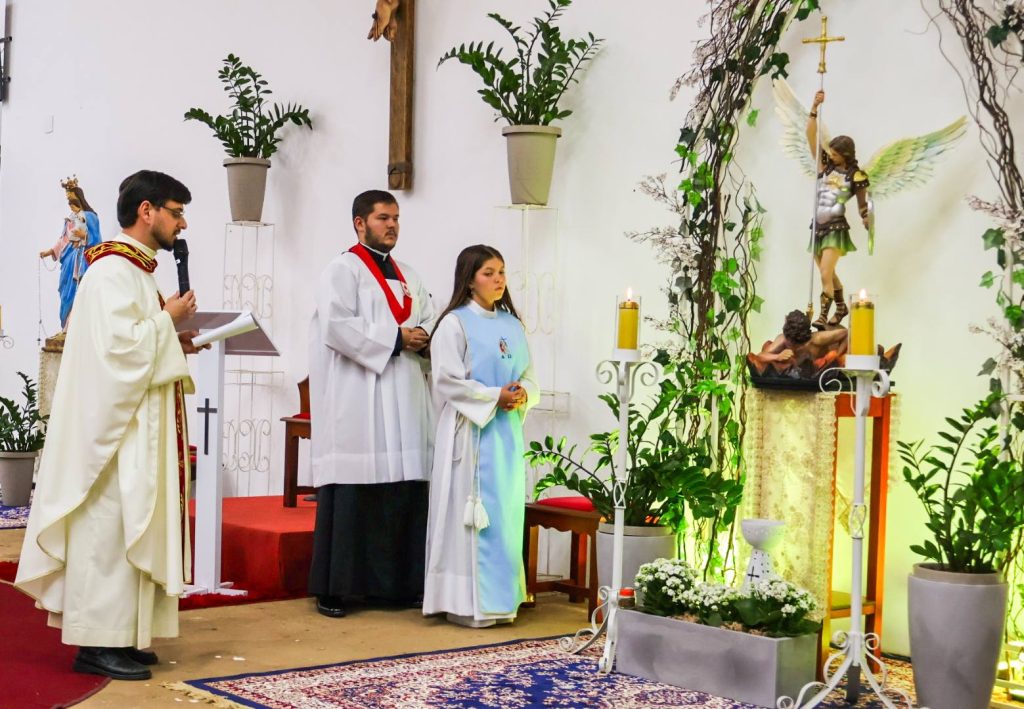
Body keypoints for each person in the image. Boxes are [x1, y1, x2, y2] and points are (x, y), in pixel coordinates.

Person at [15, 170, 203, 681]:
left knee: (128, 527)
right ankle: (96, 642)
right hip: (113, 438)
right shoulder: (110, 271)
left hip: (135, 426)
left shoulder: (135, 271)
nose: (182, 224)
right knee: (108, 530)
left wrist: (172, 338)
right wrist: (166, 320)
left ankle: (123, 634)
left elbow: (133, 341)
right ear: (147, 211)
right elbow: (115, 353)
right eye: (176, 212)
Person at [307, 189, 436, 618]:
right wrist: (398, 338)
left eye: (396, 218)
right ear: (360, 223)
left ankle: (396, 587)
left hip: (405, 393)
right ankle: (335, 588)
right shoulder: (342, 270)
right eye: (383, 218)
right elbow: (336, 326)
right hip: (359, 395)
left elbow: (430, 318)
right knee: (354, 489)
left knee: (402, 488)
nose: (392, 225)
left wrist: (426, 338)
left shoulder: (410, 275)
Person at [423, 245, 538, 628]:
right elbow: (446, 380)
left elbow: (529, 376)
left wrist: (522, 393)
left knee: (504, 516)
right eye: (489, 272)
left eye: (501, 271)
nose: (498, 279)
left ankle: (502, 601)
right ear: (470, 280)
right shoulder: (454, 324)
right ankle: (464, 604)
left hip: (504, 435)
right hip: (468, 435)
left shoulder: (512, 325)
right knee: (469, 518)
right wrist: (493, 397)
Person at [807, 90, 871, 330]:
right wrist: (814, 108)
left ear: (845, 155)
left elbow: (863, 204)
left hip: (835, 227)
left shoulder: (856, 175)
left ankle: (823, 316)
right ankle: (842, 307)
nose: (831, 155)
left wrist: (866, 218)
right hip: (818, 226)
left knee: (825, 272)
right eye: (830, 153)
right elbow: (810, 137)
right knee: (829, 273)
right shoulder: (824, 167)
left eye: (835, 153)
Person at [39, 177, 103, 331]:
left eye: (72, 200)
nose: (70, 204)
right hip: (69, 259)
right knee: (66, 291)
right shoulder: (70, 219)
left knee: (80, 290)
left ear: (79, 199)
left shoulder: (90, 217)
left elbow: (97, 240)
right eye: (68, 201)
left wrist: (84, 236)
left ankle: (79, 327)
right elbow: (64, 239)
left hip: (83, 259)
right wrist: (51, 251)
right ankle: (67, 327)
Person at [750, 309, 849, 372]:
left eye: (796, 344)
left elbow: (846, 333)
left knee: (835, 356)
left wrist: (838, 356)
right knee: (767, 347)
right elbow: (760, 356)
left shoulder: (817, 339)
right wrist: (777, 356)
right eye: (790, 342)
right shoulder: (783, 339)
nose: (792, 346)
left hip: (819, 370)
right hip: (797, 372)